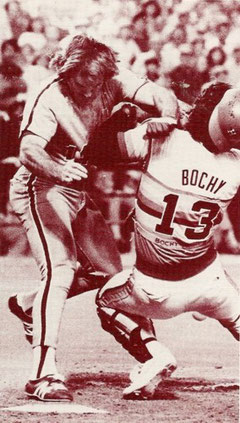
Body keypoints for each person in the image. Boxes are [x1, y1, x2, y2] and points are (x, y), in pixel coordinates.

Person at [8, 34, 178, 402]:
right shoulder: (49, 95)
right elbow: (28, 150)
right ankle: (42, 373)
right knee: (60, 268)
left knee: (111, 276)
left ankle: (27, 305)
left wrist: (167, 117)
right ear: (66, 70)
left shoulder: (112, 78)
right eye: (82, 80)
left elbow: (161, 95)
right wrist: (57, 169)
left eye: (97, 81)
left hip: (76, 188)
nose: (90, 90)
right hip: (39, 186)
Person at [96, 81, 240, 399]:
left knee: (105, 301)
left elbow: (98, 150)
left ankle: (154, 354)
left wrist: (123, 117)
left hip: (154, 289)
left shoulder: (163, 139)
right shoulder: (236, 167)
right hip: (210, 283)